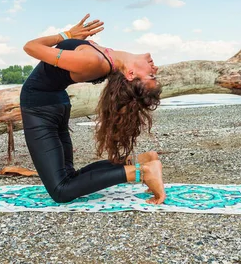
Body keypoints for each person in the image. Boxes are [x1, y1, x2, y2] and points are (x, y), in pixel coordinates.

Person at [20, 14, 166, 204]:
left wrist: (65, 35)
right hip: (55, 102)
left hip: (39, 106)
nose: (155, 70)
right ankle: (140, 161)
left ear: (130, 74)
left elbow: (30, 47)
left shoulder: (92, 61)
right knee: (68, 177)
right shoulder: (105, 57)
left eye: (151, 77)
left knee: (60, 191)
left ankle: (141, 171)